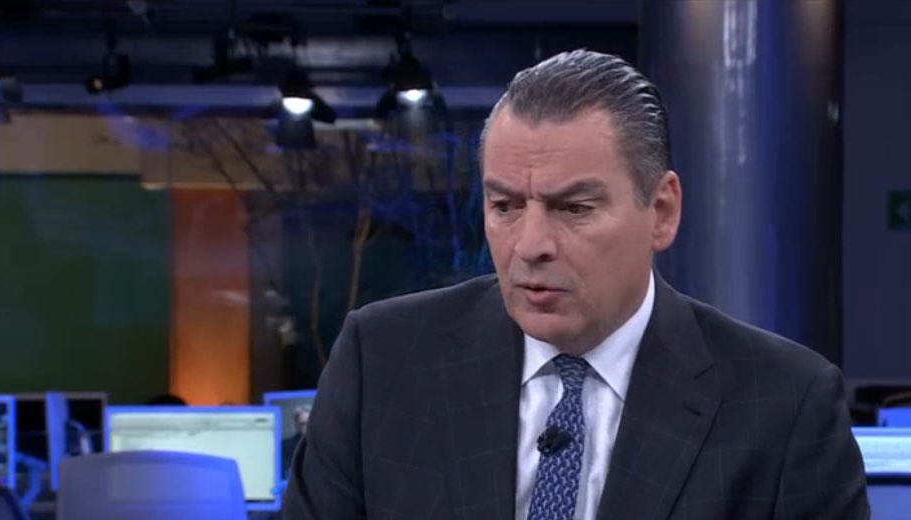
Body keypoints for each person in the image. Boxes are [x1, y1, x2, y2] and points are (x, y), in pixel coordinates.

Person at [282, 49, 868, 519]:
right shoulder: (382, 362)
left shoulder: (785, 404)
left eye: (575, 208)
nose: (530, 244)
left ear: (661, 211)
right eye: (505, 206)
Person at [282, 405, 311, 479]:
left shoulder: (322, 445)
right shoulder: (286, 446)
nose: (307, 427)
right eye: (303, 424)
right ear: (296, 425)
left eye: (309, 423)